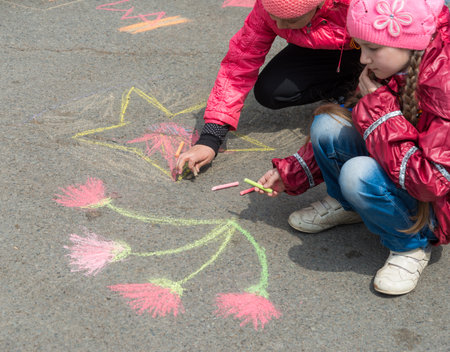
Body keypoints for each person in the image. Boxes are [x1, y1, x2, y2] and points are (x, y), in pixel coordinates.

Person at [255, 0, 450, 295]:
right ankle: (350, 205)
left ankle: (411, 244)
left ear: (411, 43)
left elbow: (430, 183)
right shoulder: (398, 64)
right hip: (402, 161)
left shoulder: (443, 84)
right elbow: (353, 117)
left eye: (373, 49)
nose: (363, 59)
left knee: (358, 174)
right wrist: (292, 171)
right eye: (361, 47)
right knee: (328, 124)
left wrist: (382, 115)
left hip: (435, 200)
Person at [175, 0, 362, 176]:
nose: (279, 26)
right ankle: (344, 89)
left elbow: (389, 52)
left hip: (371, 52)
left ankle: (357, 94)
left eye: (291, 20)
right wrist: (211, 137)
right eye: (274, 17)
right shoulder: (266, 8)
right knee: (270, 90)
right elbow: (239, 64)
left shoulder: (360, 6)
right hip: (325, 50)